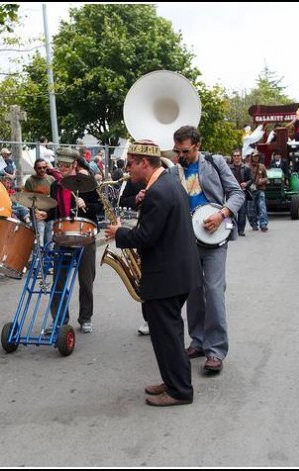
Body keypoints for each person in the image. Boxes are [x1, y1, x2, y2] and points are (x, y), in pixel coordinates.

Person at [105, 140, 201, 407]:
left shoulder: (159, 191)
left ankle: (180, 391)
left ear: (144, 163)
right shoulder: (168, 184)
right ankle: (173, 381)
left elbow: (146, 236)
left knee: (167, 336)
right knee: (168, 334)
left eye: (130, 164)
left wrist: (119, 233)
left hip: (166, 277)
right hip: (177, 273)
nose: (128, 170)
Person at [172, 125, 245, 374]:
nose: (181, 155)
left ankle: (215, 351)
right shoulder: (174, 170)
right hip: (187, 240)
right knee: (193, 292)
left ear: (197, 146)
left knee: (213, 292)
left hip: (215, 238)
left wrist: (222, 214)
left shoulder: (215, 163)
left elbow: (237, 193)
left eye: (185, 151)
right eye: (177, 150)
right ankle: (199, 341)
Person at [37, 147, 101, 334]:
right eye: (60, 165)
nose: (62, 168)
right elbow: (54, 210)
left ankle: (85, 318)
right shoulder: (56, 186)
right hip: (63, 237)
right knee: (59, 281)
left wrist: (86, 205)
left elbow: (100, 207)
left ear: (74, 164)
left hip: (85, 236)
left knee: (86, 281)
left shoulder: (87, 183)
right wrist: (44, 214)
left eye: (66, 165)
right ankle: (59, 319)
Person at [24, 159, 56, 247]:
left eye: (44, 167)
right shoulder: (30, 180)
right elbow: (27, 199)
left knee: (50, 242)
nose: (42, 170)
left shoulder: (51, 179)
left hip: (49, 214)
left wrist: (50, 213)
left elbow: (55, 198)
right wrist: (36, 212)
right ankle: (39, 260)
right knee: (39, 243)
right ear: (35, 168)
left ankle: (49, 260)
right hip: (37, 215)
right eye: (39, 168)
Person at [229, 150, 252, 237]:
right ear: (233, 157)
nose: (236, 157)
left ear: (241, 156)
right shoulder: (228, 168)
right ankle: (231, 230)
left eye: (238, 155)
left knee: (242, 213)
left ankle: (241, 230)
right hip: (231, 193)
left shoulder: (246, 168)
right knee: (231, 213)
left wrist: (246, 184)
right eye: (234, 156)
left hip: (243, 193)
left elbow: (251, 179)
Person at [247, 151, 269, 232]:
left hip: (260, 190)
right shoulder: (247, 166)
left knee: (262, 207)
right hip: (250, 190)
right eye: (254, 156)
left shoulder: (262, 166)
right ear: (251, 157)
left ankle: (263, 224)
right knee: (251, 209)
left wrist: (262, 180)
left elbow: (267, 178)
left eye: (257, 156)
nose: (256, 158)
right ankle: (254, 224)